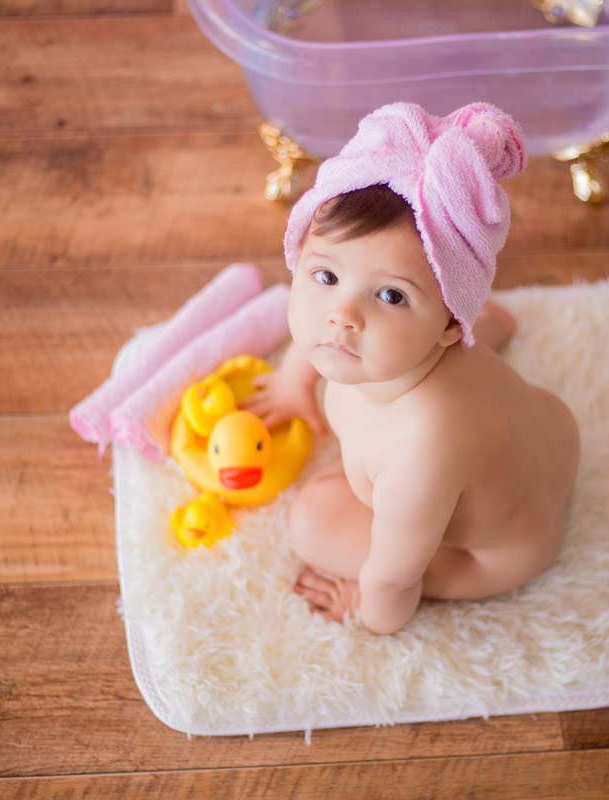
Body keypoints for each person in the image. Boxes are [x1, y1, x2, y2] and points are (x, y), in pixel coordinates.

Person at [240, 102, 580, 635]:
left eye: (391, 295)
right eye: (325, 276)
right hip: (555, 433)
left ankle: (482, 323)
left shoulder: (423, 448)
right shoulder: (356, 337)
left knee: (314, 520)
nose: (343, 316)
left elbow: (394, 577)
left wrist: (370, 617)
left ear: (449, 323)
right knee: (454, 380)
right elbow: (317, 337)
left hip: (498, 552)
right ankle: (489, 324)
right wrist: (290, 381)